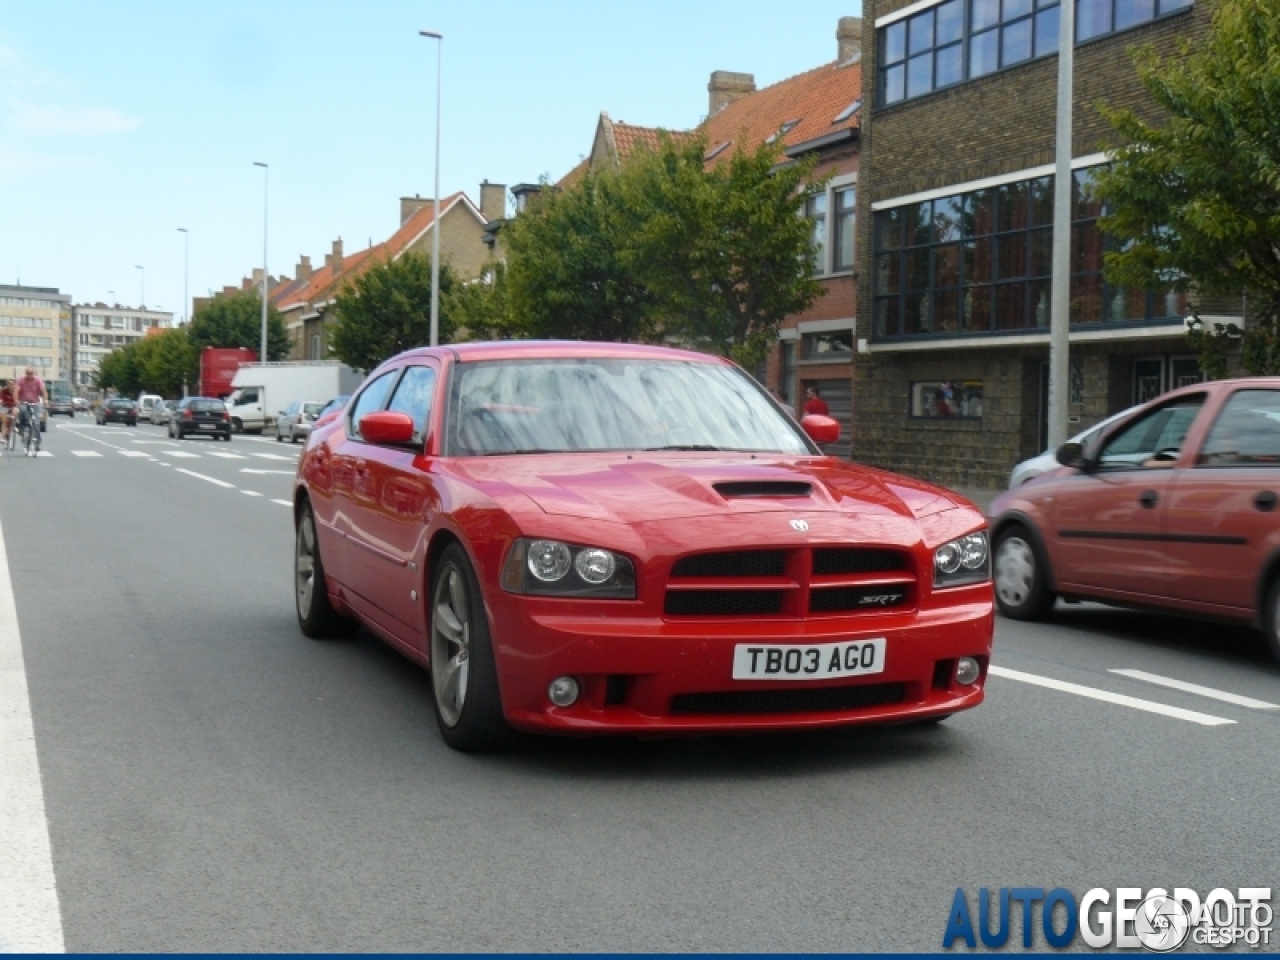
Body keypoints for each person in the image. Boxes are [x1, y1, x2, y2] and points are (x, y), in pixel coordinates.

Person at [14, 367, 48, 457]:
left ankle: (38, 444)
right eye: (28, 373)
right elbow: (16, 391)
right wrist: (16, 400)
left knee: (36, 423)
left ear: (34, 373)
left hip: (35, 403)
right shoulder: (21, 380)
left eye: (31, 373)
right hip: (24, 402)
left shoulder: (38, 380)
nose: (30, 375)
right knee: (22, 411)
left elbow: (43, 391)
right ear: (26, 373)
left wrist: (45, 401)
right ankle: (22, 429)